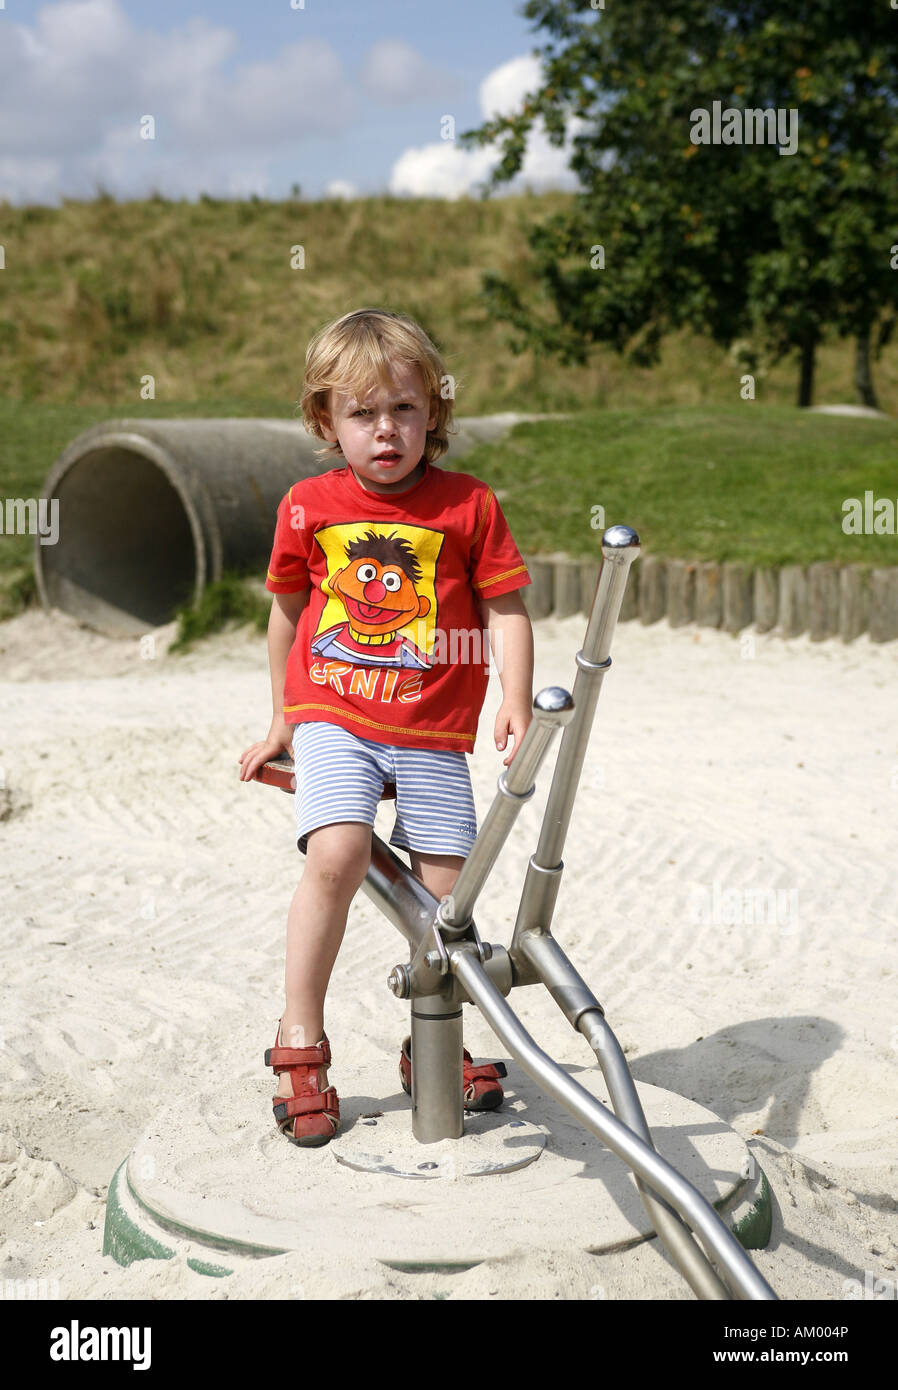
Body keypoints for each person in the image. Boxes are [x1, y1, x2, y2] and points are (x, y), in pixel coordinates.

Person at [238, 307, 534, 1146]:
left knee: (444, 903)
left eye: (404, 408)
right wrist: (283, 720)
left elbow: (506, 610)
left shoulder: (469, 505)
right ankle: (301, 1041)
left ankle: (432, 1044)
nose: (385, 430)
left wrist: (514, 696)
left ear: (433, 413)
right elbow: (288, 616)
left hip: (435, 727)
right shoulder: (308, 505)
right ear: (325, 422)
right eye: (362, 413)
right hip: (337, 714)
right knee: (337, 851)